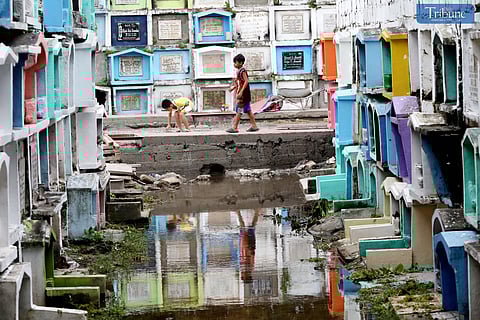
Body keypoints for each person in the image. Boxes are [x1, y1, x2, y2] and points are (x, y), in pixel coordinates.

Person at [226, 54, 259, 133]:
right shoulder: (239, 71)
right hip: (244, 94)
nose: (234, 64)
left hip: (243, 95)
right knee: (248, 110)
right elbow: (238, 83)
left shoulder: (242, 71)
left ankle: (235, 127)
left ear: (241, 63)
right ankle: (254, 126)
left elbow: (246, 81)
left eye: (236, 62)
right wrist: (233, 88)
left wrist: (241, 92)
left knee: (239, 110)